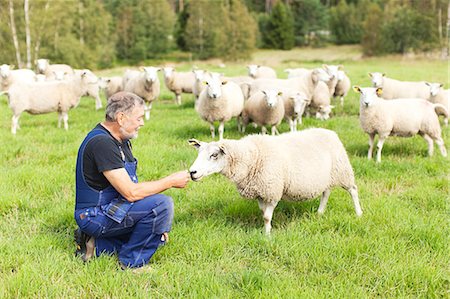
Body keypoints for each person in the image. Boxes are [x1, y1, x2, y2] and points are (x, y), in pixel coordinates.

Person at [74, 91, 190, 270]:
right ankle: (132, 264)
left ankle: (96, 246)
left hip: (113, 207)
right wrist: (171, 181)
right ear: (121, 118)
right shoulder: (102, 143)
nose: (142, 123)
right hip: (95, 215)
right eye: (139, 118)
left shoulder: (120, 140)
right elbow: (131, 192)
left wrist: (159, 227)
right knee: (161, 206)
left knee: (158, 236)